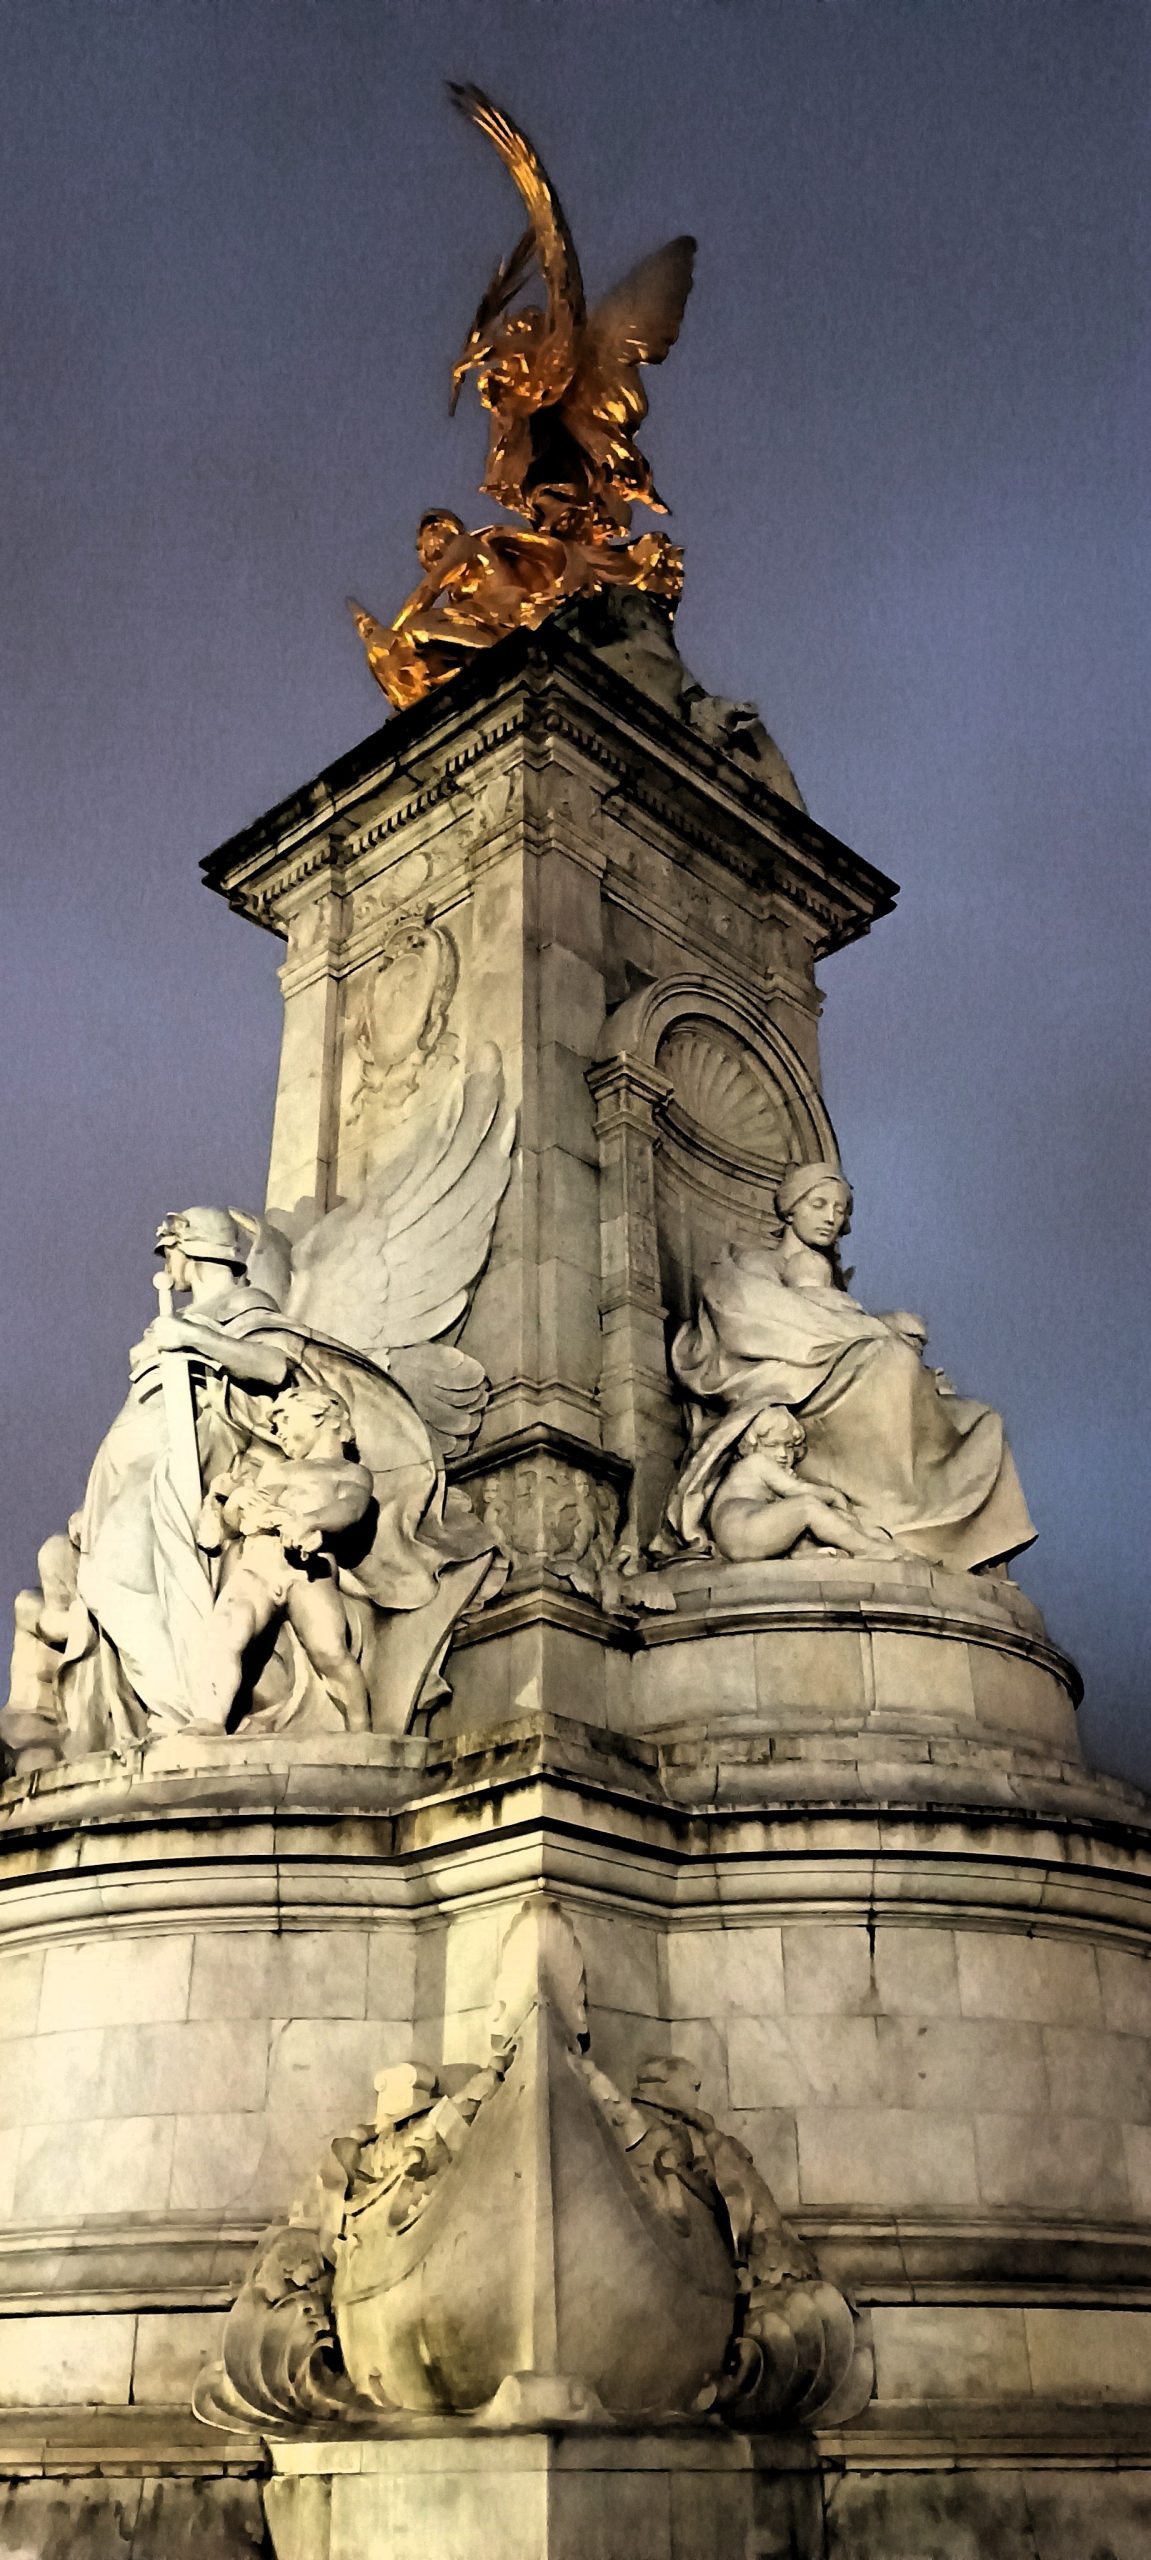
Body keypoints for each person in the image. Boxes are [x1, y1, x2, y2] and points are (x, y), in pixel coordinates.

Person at [662, 1161, 1035, 1573]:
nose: (830, 1218)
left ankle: (920, 1531)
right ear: (790, 1210)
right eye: (819, 1204)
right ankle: (888, 1518)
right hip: (791, 1377)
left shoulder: (829, 1281)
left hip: (839, 1366)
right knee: (891, 1361)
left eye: (839, 1210)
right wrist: (872, 1329)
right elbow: (755, 1317)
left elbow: (836, 1326)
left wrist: (880, 1331)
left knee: (981, 1420)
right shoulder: (756, 1264)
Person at [195, 1387, 373, 1732]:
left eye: (287, 1421)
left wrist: (310, 1522)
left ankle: (362, 1731)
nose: (279, 1433)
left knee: (330, 1653)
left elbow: (351, 1508)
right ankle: (210, 1721)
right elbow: (235, 1524)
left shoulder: (350, 1473)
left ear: (320, 1415)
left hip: (308, 1571)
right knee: (225, 1632)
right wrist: (235, 1504)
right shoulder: (276, 1469)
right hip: (258, 1566)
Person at [708, 1407, 902, 1563]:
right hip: (743, 1531)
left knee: (808, 1518)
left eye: (788, 1446)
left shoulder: (757, 1477)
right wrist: (835, 1496)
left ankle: (810, 1553)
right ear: (752, 1446)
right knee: (807, 1507)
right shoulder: (757, 1462)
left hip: (743, 1538)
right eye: (772, 1445)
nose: (782, 1454)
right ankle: (867, 1549)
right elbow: (800, 1491)